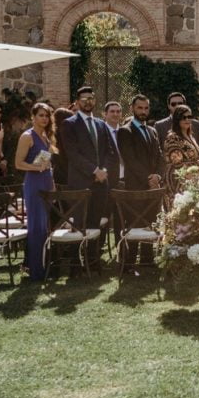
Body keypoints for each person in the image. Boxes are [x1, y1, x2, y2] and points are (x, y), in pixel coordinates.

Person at [57, 86, 118, 235]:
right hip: (80, 183)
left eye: (90, 99)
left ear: (94, 101)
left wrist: (103, 171)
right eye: (84, 99)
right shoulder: (69, 124)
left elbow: (110, 153)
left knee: (95, 225)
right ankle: (78, 258)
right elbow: (73, 154)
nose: (87, 102)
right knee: (80, 226)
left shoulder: (101, 124)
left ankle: (94, 257)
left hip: (101, 183)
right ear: (77, 102)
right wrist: (94, 170)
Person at [116, 95, 163, 269]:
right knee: (134, 222)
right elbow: (130, 160)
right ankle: (127, 263)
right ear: (132, 109)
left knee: (150, 223)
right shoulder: (125, 131)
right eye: (139, 108)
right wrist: (147, 178)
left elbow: (160, 156)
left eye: (145, 108)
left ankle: (147, 260)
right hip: (135, 186)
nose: (143, 111)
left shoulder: (152, 131)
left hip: (153, 187)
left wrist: (157, 176)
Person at [15, 103, 56, 282]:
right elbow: (18, 163)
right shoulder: (27, 136)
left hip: (47, 182)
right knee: (36, 228)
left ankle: (45, 266)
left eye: (47, 116)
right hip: (33, 183)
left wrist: (52, 183)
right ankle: (35, 270)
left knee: (45, 227)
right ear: (33, 116)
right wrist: (35, 167)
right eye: (41, 115)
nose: (44, 119)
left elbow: (47, 162)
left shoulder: (47, 136)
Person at [162, 105, 199, 193]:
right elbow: (177, 163)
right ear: (177, 119)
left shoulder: (190, 136)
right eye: (184, 117)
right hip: (178, 181)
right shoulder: (173, 137)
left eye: (189, 117)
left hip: (194, 181)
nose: (187, 120)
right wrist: (193, 174)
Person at [103, 100, 124, 189]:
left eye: (118, 111)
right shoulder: (100, 131)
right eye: (112, 111)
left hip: (125, 177)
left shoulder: (126, 132)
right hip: (107, 178)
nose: (115, 114)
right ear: (105, 114)